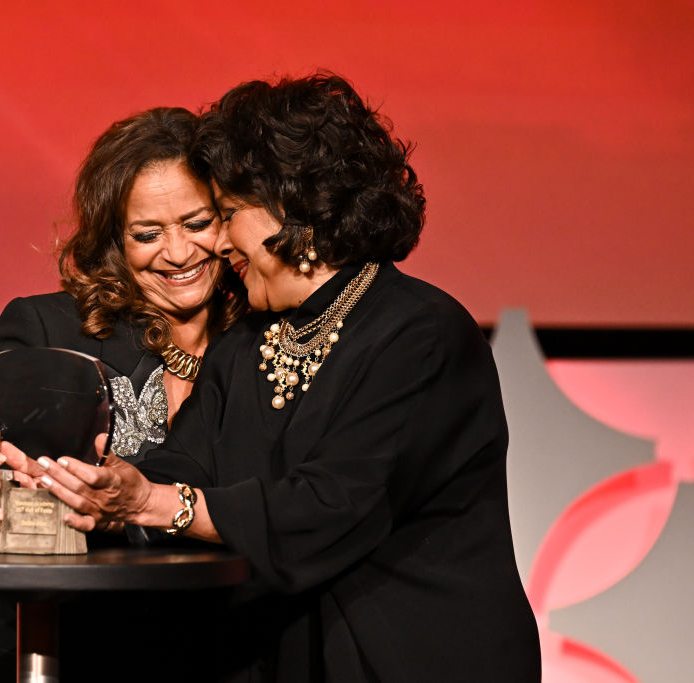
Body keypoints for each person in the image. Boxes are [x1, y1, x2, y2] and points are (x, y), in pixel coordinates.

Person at [39, 74, 542, 681]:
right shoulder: (250, 338)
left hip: (413, 655)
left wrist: (154, 503)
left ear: (293, 207)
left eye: (226, 215)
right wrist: (108, 487)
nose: (216, 243)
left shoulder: (419, 332)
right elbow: (188, 465)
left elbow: (333, 505)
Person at [0, 106, 245, 681]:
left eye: (198, 224)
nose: (180, 253)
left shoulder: (274, 343)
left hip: (225, 651)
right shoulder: (52, 328)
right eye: (147, 234)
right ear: (114, 238)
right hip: (56, 649)